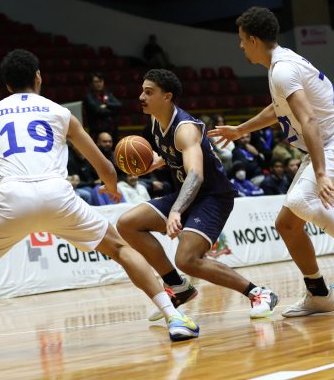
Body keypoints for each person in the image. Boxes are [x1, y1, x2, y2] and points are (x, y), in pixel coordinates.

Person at [0, 49, 198, 366]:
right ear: (38, 77)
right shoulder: (60, 113)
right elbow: (104, 168)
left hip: (12, 198)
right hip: (57, 195)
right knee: (122, 249)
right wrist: (111, 188)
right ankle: (174, 317)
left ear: (6, 85)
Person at [209, 6, 334, 318]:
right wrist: (241, 130)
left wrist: (321, 173)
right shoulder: (280, 65)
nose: (240, 46)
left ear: (253, 40)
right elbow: (278, 109)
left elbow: (308, 120)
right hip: (331, 145)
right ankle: (318, 293)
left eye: (242, 40)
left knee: (300, 199)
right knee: (287, 223)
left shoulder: (282, 69)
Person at [117, 68, 279, 322]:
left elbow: (195, 175)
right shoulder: (156, 121)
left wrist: (176, 211)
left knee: (187, 259)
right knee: (127, 224)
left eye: (149, 92)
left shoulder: (185, 129)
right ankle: (177, 286)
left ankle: (259, 293)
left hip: (212, 197)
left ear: (167, 96)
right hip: (186, 193)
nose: (141, 97)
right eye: (142, 91)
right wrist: (155, 163)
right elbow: (175, 154)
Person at [83, 73, 122, 139]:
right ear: (91, 84)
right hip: (97, 131)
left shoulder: (108, 94)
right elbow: (98, 111)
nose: (99, 84)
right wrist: (114, 111)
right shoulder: (88, 97)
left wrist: (106, 105)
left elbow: (119, 105)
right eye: (96, 82)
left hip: (112, 130)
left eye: (100, 81)